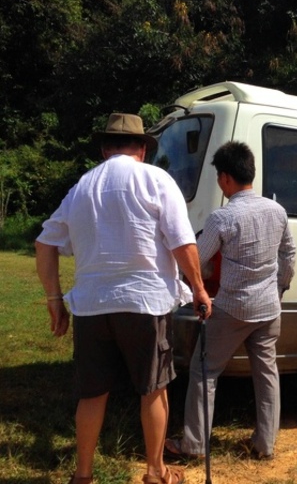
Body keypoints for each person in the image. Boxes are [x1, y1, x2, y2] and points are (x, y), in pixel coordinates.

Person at [35, 113, 212, 484]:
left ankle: (82, 475)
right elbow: (182, 241)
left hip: (92, 306)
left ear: (104, 149)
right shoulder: (156, 179)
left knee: (92, 392)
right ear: (143, 149)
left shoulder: (82, 186)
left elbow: (44, 242)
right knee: (153, 389)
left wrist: (55, 299)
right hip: (144, 303)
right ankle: (155, 471)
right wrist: (198, 288)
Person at [165, 141, 296, 461]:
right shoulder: (277, 211)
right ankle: (265, 445)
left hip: (232, 309)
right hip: (269, 309)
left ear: (225, 178)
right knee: (267, 374)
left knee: (204, 371)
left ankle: (194, 445)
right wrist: (280, 287)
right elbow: (289, 254)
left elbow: (197, 259)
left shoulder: (222, 218)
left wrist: (192, 282)